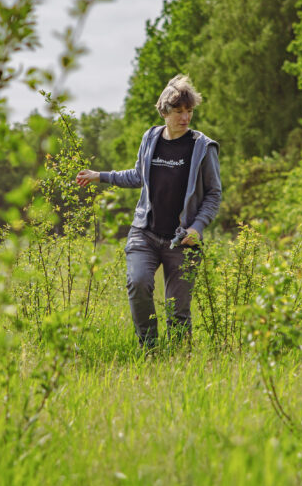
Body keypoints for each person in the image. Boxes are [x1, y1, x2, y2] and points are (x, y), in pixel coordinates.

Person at [76, 75, 221, 348]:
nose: (185, 117)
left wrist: (197, 227)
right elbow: (137, 176)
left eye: (189, 111)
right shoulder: (151, 137)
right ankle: (149, 348)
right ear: (165, 111)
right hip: (146, 233)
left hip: (183, 240)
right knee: (138, 283)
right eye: (179, 111)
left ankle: (179, 360)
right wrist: (101, 175)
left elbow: (214, 194)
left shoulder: (202, 147)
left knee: (178, 310)